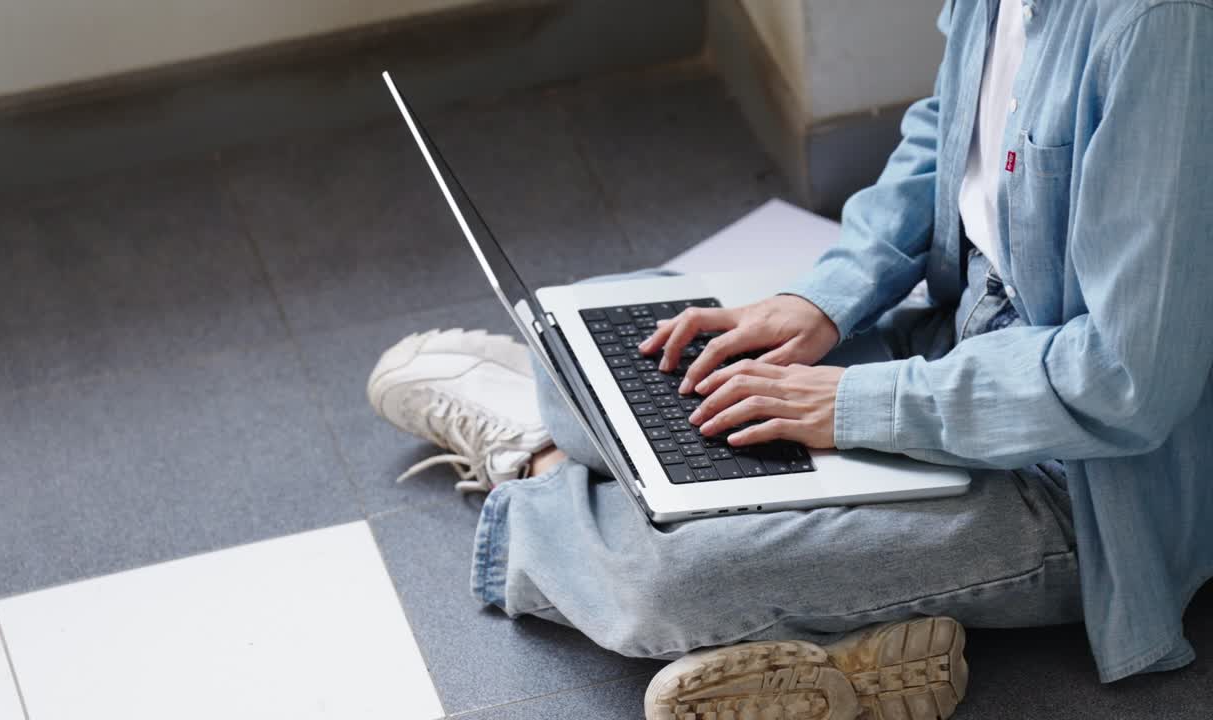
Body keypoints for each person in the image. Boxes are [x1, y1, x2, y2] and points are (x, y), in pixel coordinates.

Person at [367, 1, 1213, 718]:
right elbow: (948, 140)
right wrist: (824, 298)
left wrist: (851, 406)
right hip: (961, 335)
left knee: (672, 579)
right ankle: (840, 635)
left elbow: (1128, 381)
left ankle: (542, 464)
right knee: (594, 347)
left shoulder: (1159, 28)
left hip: (1082, 485)